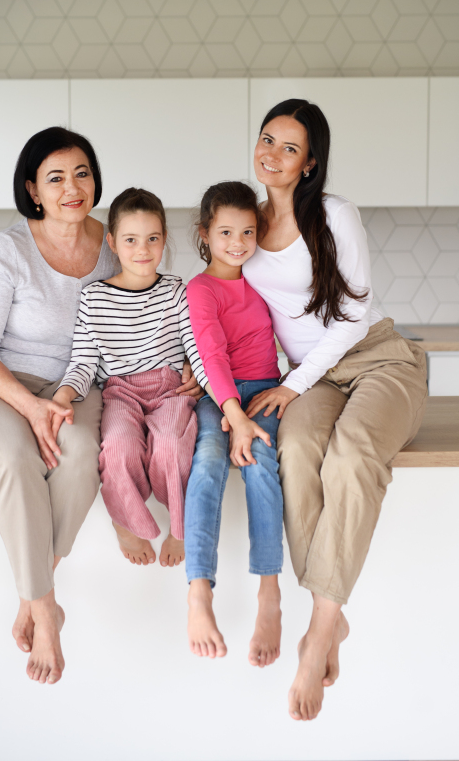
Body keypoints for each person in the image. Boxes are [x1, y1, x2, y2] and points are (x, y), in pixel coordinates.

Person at [0, 127, 203, 686]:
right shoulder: (7, 251)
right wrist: (32, 409)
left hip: (74, 385)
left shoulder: (116, 243)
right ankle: (44, 609)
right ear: (33, 190)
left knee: (83, 453)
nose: (71, 187)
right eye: (55, 177)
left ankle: (35, 591)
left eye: (81, 173)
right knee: (16, 458)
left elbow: (152, 313)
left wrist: (187, 360)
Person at [240, 99, 428, 721]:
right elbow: (217, 299)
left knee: (350, 457)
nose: (272, 154)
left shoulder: (333, 214)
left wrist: (293, 385)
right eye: (267, 139)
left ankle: (320, 628)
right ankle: (334, 614)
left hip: (376, 358)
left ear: (310, 161)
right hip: (310, 378)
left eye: (289, 147)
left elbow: (350, 316)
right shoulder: (244, 221)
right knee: (293, 451)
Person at [53, 187, 207, 569]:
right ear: (113, 243)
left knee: (171, 444)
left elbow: (197, 346)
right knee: (118, 448)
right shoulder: (94, 298)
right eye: (131, 240)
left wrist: (202, 380)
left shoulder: (176, 291)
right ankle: (125, 521)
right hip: (120, 393)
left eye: (153, 238)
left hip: (171, 389)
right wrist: (64, 394)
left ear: (164, 240)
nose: (143, 249)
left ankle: (180, 525)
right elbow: (84, 362)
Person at [184, 181, 284, 669]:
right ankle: (199, 590)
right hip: (219, 396)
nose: (238, 242)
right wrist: (234, 415)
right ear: (205, 233)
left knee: (264, 464)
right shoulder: (200, 289)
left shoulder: (264, 278)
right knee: (207, 463)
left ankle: (270, 592)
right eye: (225, 232)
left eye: (247, 231)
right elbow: (210, 353)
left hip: (266, 389)